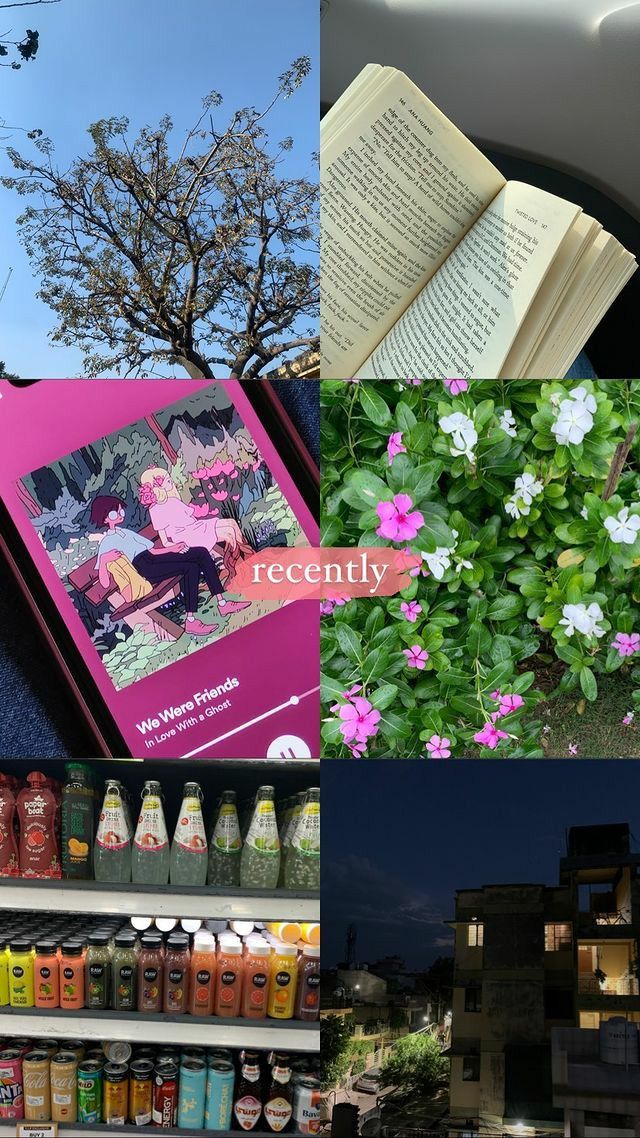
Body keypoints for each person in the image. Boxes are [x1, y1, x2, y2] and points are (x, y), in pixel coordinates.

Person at [90, 495, 249, 637]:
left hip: (153, 558)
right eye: (114, 513)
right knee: (190, 568)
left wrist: (172, 548)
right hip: (142, 569)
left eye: (120, 512)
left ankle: (223, 603)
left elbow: (152, 550)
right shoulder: (106, 544)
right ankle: (191, 621)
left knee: (200, 552)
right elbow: (104, 582)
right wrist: (104, 560)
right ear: (104, 519)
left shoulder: (126, 533)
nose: (119, 515)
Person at [139, 466, 253, 578]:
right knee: (228, 533)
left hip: (195, 528)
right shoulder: (155, 509)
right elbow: (165, 541)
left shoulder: (172, 500)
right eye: (167, 480)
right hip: (186, 537)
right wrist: (175, 547)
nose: (171, 481)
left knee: (232, 523)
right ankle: (236, 567)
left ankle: (249, 557)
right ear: (158, 486)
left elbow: (191, 519)